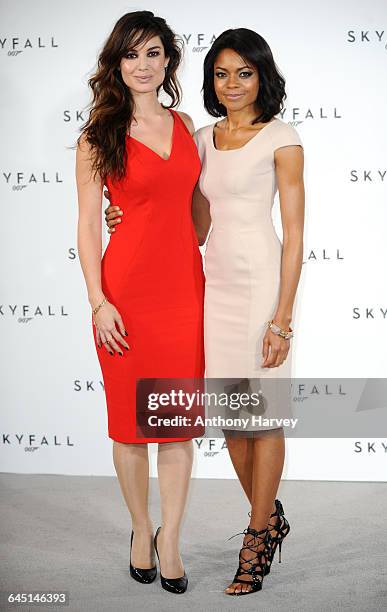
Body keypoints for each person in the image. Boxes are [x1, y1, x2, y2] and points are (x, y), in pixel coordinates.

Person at [105, 27, 305, 597]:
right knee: (231, 418)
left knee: (262, 417)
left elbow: (294, 237)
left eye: (244, 72)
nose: (233, 83)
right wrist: (126, 217)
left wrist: (282, 318)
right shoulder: (201, 137)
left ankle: (258, 535)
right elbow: (188, 222)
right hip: (210, 287)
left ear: (263, 75)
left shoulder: (282, 138)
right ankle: (270, 516)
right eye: (221, 73)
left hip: (262, 283)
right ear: (209, 80)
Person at [75, 11, 205, 595]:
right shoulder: (96, 135)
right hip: (125, 292)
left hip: (184, 290)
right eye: (131, 54)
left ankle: (172, 539)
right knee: (130, 428)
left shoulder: (186, 124)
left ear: (169, 61)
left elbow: (197, 212)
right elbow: (87, 228)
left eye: (153, 53)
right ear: (116, 64)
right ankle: (140, 529)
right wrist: (98, 301)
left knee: (175, 427)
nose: (143, 65)